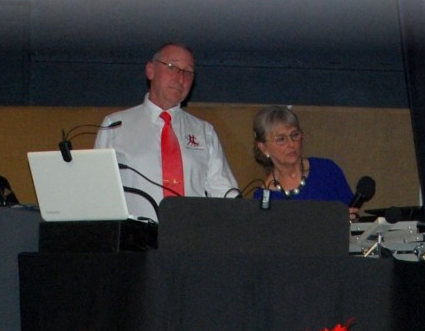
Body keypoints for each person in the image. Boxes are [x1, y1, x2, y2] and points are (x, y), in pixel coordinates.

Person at [95, 42, 238, 219]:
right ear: (150, 70)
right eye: (172, 67)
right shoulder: (115, 126)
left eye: (188, 72)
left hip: (191, 233)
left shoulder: (204, 131)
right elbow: (99, 191)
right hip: (135, 234)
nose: (180, 77)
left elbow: (225, 192)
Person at [252, 105, 357, 206]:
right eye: (281, 139)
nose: (291, 144)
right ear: (263, 148)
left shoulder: (326, 171)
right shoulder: (263, 199)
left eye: (295, 135)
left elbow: (352, 213)